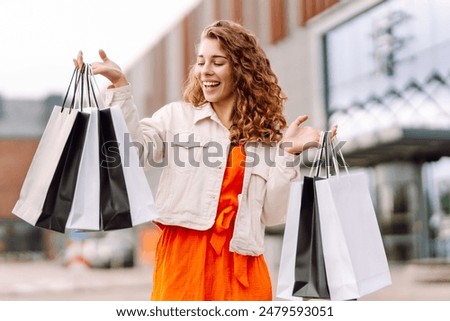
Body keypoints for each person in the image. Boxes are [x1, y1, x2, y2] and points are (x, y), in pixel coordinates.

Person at [74, 20, 336, 301]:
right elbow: (132, 154)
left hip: (243, 269)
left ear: (242, 69)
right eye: (201, 62)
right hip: (183, 265)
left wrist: (288, 154)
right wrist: (120, 88)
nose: (205, 71)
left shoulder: (265, 138)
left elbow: (272, 215)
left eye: (217, 62)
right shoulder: (176, 117)